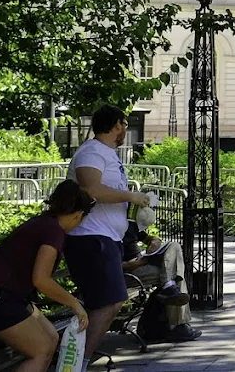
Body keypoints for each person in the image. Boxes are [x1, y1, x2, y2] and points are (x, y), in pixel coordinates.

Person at [0, 180, 91, 372]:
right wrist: (75, 304)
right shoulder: (54, 232)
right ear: (79, 215)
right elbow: (41, 279)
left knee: (51, 337)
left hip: (1, 294)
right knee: (42, 349)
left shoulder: (45, 223)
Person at [65, 105, 153, 358]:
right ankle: (78, 360)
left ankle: (78, 357)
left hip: (106, 239)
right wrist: (132, 197)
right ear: (116, 125)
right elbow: (92, 189)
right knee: (111, 302)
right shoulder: (91, 152)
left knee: (106, 303)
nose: (125, 129)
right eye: (124, 124)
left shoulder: (107, 153)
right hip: (91, 239)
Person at [120, 206, 197, 341]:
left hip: (141, 263)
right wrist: (137, 263)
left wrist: (154, 241)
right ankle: (178, 325)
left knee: (174, 246)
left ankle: (168, 286)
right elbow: (113, 266)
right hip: (130, 270)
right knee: (175, 275)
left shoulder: (128, 223)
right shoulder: (109, 229)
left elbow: (147, 238)